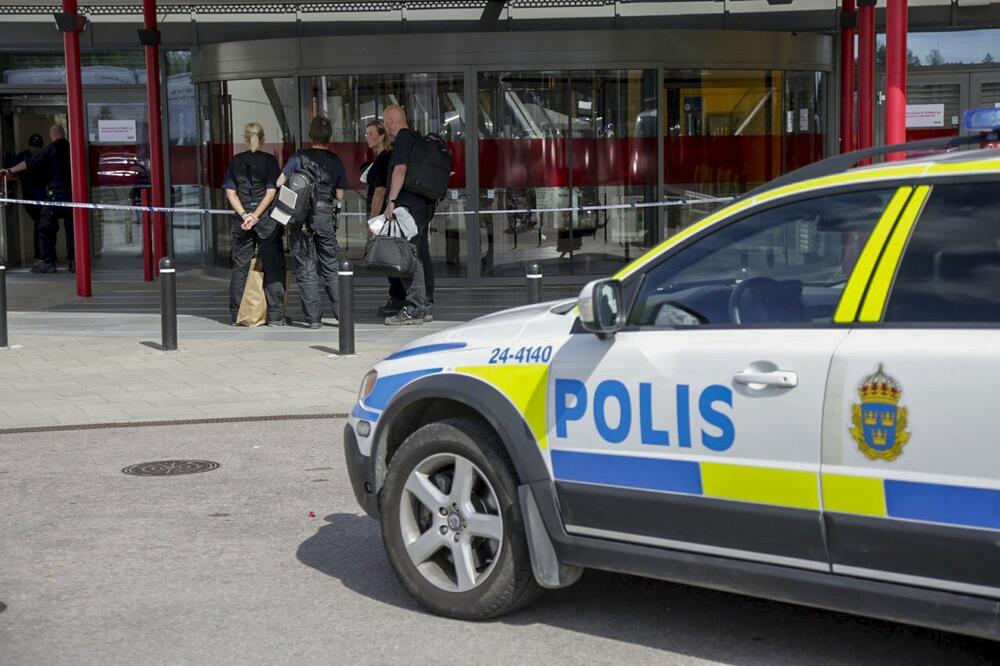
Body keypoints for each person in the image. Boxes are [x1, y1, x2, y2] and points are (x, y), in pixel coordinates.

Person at [277, 115, 348, 329]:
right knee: (330, 265)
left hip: (300, 218)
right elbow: (340, 195)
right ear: (329, 138)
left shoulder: (299, 157)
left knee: (305, 266)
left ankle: (313, 319)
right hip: (324, 215)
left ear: (310, 137)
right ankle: (341, 316)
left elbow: (281, 182)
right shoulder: (336, 161)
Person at [222, 122, 285, 326]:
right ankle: (275, 315)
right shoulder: (269, 161)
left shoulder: (236, 161)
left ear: (245, 139)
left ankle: (237, 314)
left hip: (242, 221)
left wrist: (244, 214)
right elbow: (271, 192)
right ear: (263, 139)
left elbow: (230, 192)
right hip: (266, 220)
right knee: (272, 265)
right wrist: (256, 215)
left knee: (240, 266)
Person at [382, 105, 436, 325]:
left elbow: (400, 170)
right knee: (421, 256)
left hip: (407, 208)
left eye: (386, 123)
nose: (386, 128)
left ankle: (414, 309)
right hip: (421, 207)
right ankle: (425, 306)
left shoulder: (404, 138)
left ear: (392, 121)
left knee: (408, 256)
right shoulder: (417, 138)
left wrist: (391, 201)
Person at [1, 125, 74, 273]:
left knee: (46, 228)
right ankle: (74, 261)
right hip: (73, 196)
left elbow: (30, 162)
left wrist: (10, 170)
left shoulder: (52, 148)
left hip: (55, 195)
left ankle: (48, 262)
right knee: (72, 230)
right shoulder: (72, 148)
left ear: (52, 135)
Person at [360, 119, 404, 317]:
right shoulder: (382, 157)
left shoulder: (384, 158)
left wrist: (371, 221)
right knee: (390, 256)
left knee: (388, 257)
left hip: (382, 214)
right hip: (385, 213)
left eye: (371, 134)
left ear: (382, 135)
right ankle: (397, 298)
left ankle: (397, 299)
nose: (367, 137)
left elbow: (379, 192)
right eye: (366, 134)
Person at [6, 134, 46, 270]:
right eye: (33, 147)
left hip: (44, 198)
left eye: (38, 147)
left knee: (43, 227)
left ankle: (44, 257)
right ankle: (41, 257)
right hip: (32, 199)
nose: (35, 150)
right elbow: (10, 171)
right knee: (40, 226)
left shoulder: (42, 157)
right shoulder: (23, 158)